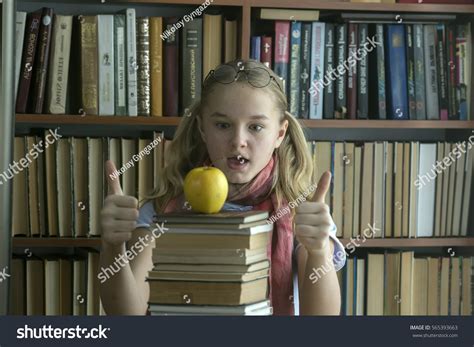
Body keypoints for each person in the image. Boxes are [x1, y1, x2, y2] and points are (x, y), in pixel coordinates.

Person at [99, 59, 346, 316]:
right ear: (202, 129)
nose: (238, 141)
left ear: (280, 134)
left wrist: (317, 251)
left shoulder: (302, 215)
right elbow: (127, 315)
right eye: (223, 125)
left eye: (256, 127)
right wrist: (113, 246)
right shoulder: (162, 211)